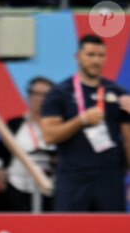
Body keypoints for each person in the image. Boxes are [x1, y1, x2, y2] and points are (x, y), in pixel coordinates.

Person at [41, 34, 130, 212]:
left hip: (109, 177)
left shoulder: (118, 93)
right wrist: (81, 120)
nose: (95, 60)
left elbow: (128, 138)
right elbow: (49, 135)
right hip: (73, 177)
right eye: (90, 55)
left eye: (100, 55)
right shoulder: (60, 93)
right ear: (78, 56)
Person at [0, 76, 56, 212]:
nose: (40, 99)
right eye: (35, 94)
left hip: (50, 190)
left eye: (45, 95)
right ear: (28, 97)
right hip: (16, 189)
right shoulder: (15, 124)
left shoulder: (61, 126)